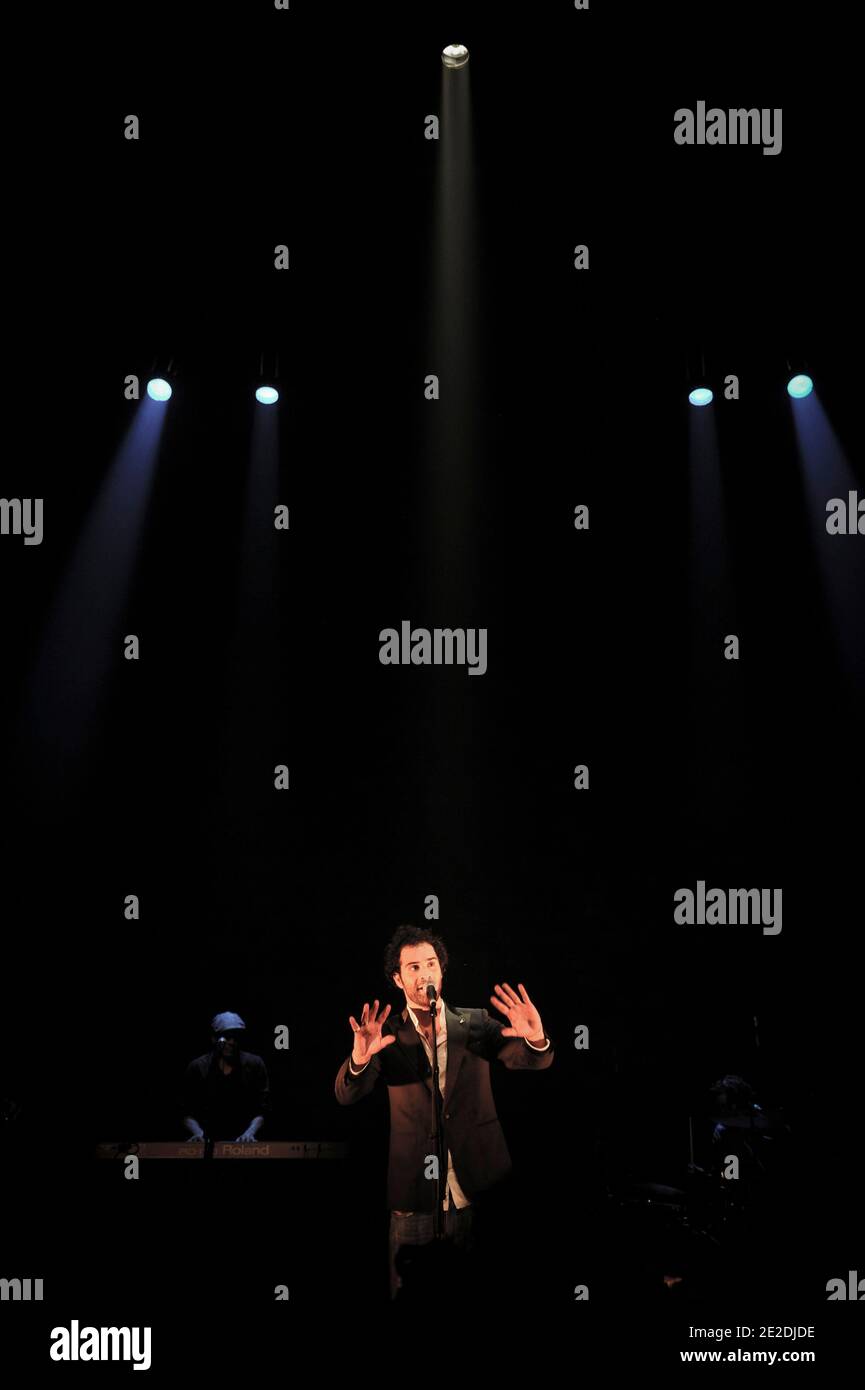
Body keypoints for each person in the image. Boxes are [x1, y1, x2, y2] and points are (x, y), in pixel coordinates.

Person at [334, 924, 554, 1300]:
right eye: (414, 967)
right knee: (411, 1295)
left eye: (431, 964)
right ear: (398, 978)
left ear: (442, 971)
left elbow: (527, 1059)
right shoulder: (384, 1034)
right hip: (414, 1195)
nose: (425, 974)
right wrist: (358, 1060)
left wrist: (535, 1038)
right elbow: (346, 1095)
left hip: (479, 1186)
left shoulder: (475, 1023)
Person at [182, 1011, 270, 1142]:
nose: (232, 1042)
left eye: (236, 1037)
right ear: (214, 1038)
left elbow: (262, 1109)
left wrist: (249, 1133)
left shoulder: (255, 1064)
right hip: (207, 1140)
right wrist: (199, 1134)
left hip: (244, 1140)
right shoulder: (197, 1067)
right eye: (227, 1037)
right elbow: (186, 1110)